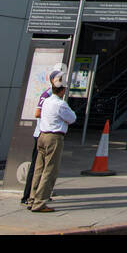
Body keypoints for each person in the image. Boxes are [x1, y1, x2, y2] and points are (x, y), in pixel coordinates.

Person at [28, 72, 77, 213]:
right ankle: (40, 202)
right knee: (50, 170)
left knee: (39, 169)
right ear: (62, 90)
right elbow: (72, 118)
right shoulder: (60, 104)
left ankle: (32, 199)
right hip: (54, 138)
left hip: (42, 136)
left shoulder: (47, 101)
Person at [21, 67, 62, 206]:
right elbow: (37, 113)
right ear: (53, 81)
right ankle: (29, 196)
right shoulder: (47, 94)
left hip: (44, 133)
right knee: (40, 167)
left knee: (43, 167)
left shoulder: (54, 95)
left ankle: (37, 195)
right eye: (60, 79)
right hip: (43, 133)